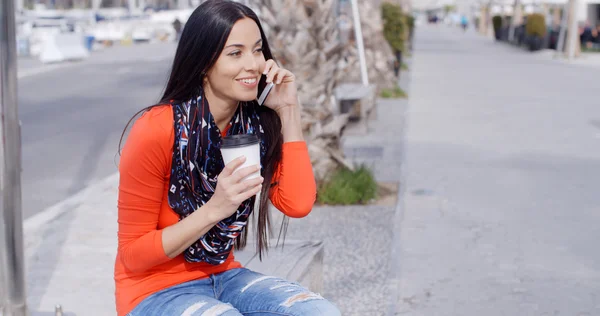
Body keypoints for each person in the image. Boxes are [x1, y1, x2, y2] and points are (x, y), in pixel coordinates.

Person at [114, 1, 341, 315]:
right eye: (235, 53)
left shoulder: (254, 125)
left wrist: (288, 110)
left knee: (318, 312)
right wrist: (216, 208)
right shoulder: (157, 129)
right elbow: (132, 254)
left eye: (257, 50)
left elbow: (297, 204)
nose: (253, 64)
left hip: (223, 276)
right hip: (152, 291)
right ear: (204, 62)